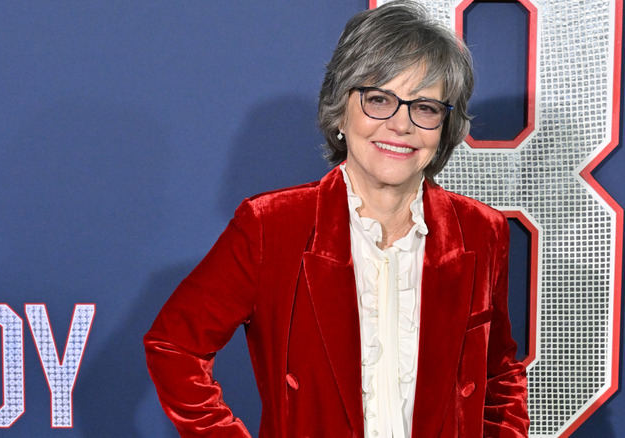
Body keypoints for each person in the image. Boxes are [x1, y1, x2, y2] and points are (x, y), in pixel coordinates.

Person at [144, 2, 529, 437]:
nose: (401, 125)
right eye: (379, 99)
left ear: (444, 126)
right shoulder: (271, 225)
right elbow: (173, 347)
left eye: (424, 107)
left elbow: (499, 375)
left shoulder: (482, 231)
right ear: (341, 110)